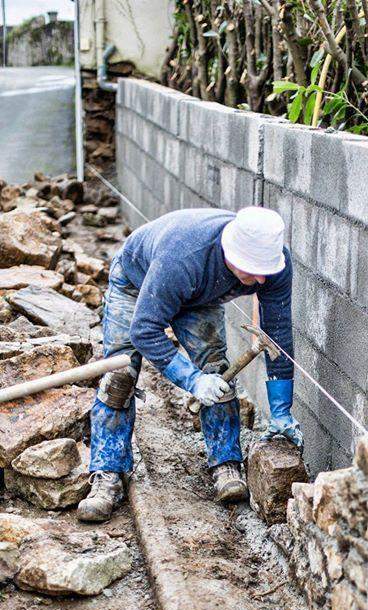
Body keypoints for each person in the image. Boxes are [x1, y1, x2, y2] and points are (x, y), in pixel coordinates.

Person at [77, 206, 302, 523]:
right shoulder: (184, 256)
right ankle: (107, 473)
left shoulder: (274, 264)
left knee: (217, 373)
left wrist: (281, 408)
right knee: (119, 378)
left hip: (199, 296)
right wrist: (193, 381)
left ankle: (225, 463)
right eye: (252, 269)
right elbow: (145, 330)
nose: (261, 279)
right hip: (136, 283)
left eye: (265, 270)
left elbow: (277, 333)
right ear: (230, 251)